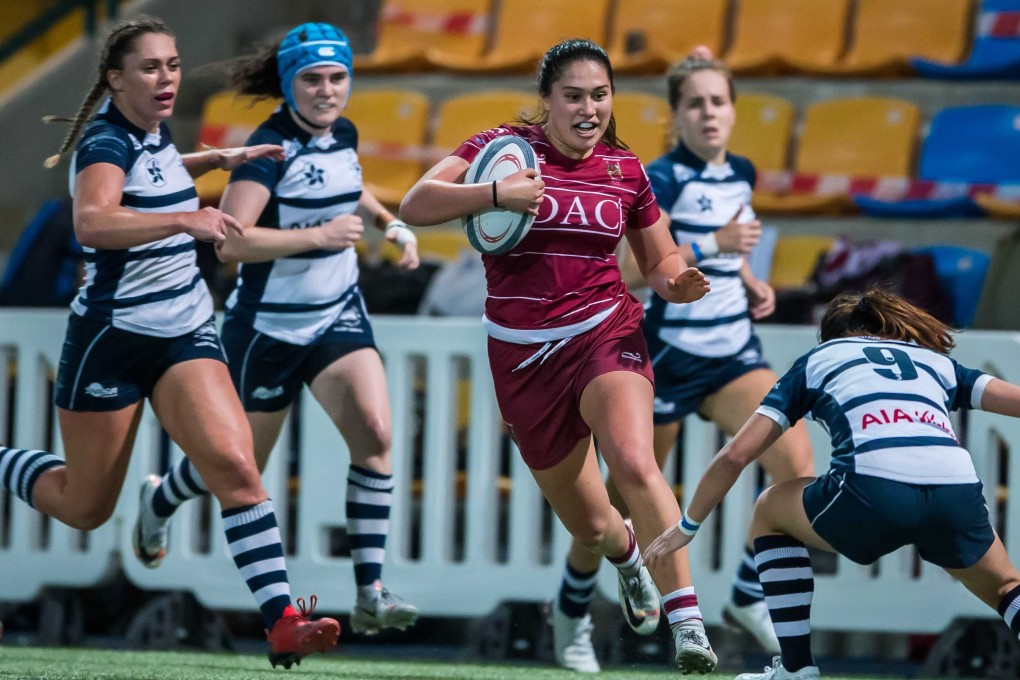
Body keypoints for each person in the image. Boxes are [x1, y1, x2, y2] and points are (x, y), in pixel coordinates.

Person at [0, 16, 339, 668]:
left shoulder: (147, 136)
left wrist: (215, 160)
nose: (167, 78)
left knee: (238, 470)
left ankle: (282, 622)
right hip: (113, 339)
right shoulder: (104, 140)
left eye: (174, 64)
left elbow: (149, 171)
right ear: (114, 78)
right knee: (83, 507)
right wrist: (188, 216)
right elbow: (94, 219)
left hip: (183, 330)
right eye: (151, 67)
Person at [400, 39, 718, 674]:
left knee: (634, 459)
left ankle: (688, 624)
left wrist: (676, 281)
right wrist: (494, 195)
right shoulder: (502, 150)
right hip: (521, 357)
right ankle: (628, 557)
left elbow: (659, 258)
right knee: (594, 527)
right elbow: (415, 206)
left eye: (599, 95)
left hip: (608, 332)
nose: (588, 108)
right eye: (573, 95)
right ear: (546, 100)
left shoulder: (625, 169)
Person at [132, 22, 422, 635]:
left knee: (374, 432)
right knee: (237, 470)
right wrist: (317, 237)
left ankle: (370, 590)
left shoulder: (343, 131)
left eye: (337, 77)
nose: (327, 91)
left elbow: (349, 181)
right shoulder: (269, 148)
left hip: (338, 312)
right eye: (312, 79)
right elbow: (229, 243)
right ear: (290, 84)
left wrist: (387, 223)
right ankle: (160, 499)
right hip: (267, 329)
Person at [547, 51, 814, 670]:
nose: (709, 113)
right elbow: (630, 272)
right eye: (695, 103)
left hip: (730, 353)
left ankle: (749, 598)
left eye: (718, 101)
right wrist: (714, 245)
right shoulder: (658, 178)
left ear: (734, 110)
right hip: (663, 355)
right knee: (614, 511)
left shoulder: (741, 170)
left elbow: (731, 240)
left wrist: (745, 276)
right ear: (676, 116)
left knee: (796, 464)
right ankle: (570, 609)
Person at [644, 288, 1020, 680]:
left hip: (875, 491)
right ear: (890, 327)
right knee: (1007, 586)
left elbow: (735, 455)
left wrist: (686, 527)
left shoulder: (819, 360)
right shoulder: (934, 362)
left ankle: (796, 669)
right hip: (955, 491)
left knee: (770, 507)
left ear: (829, 336)